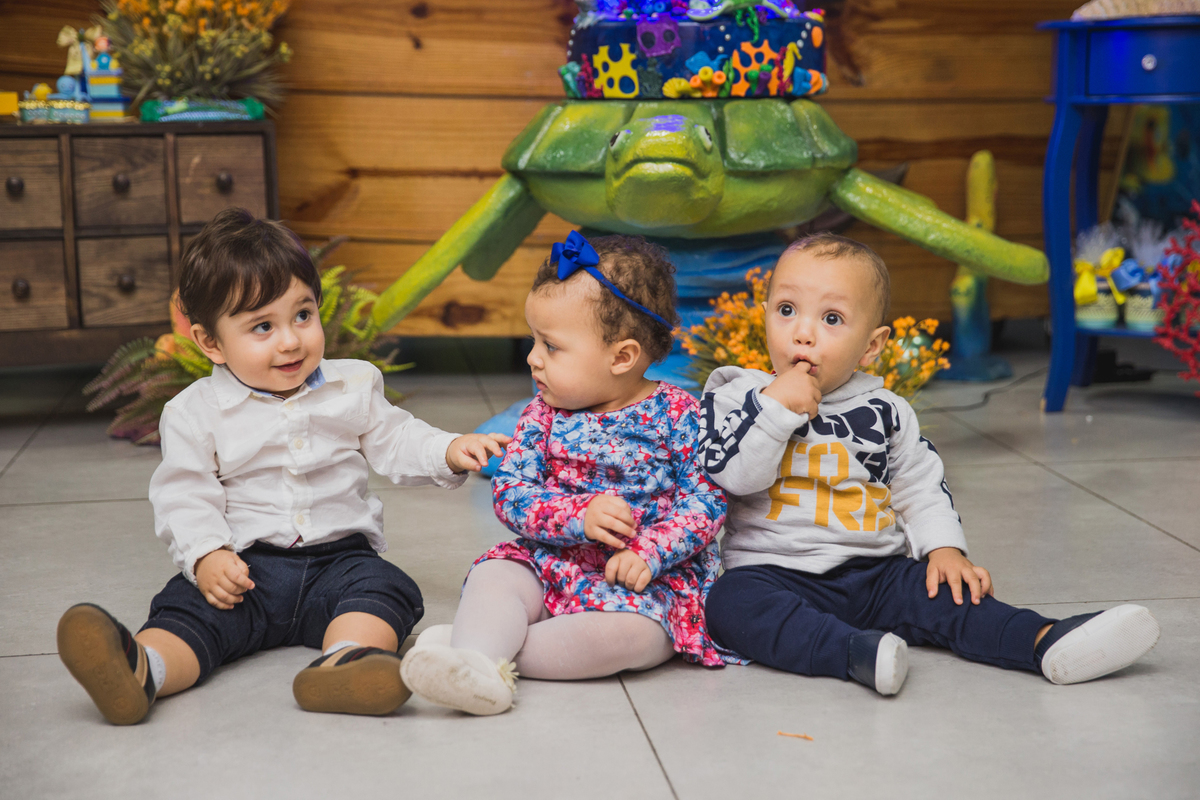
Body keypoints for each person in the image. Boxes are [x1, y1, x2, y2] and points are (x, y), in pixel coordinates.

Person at [57, 207, 508, 724]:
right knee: (192, 611)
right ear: (210, 342)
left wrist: (447, 449)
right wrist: (206, 555)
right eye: (262, 326)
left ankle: (346, 663)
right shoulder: (193, 412)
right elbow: (184, 494)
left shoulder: (352, 385)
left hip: (341, 560)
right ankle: (145, 669)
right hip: (246, 567)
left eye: (302, 315)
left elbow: (397, 437)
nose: (291, 340)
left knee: (383, 590)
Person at [699, 232, 1161, 695]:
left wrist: (944, 550)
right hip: (774, 573)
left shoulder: (886, 410)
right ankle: (857, 653)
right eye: (786, 310)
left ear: (871, 346)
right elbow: (734, 476)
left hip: (877, 573)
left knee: (950, 591)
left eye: (832, 318)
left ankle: (1044, 639)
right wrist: (775, 407)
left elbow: (921, 487)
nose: (803, 332)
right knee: (728, 604)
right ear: (765, 316)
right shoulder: (738, 394)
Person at [399, 231, 733, 715]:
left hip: (643, 581)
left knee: (632, 638)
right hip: (553, 560)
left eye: (551, 346)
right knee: (496, 575)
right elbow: (511, 492)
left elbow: (705, 500)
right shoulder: (542, 415)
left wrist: (651, 550)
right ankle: (479, 664)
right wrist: (577, 515)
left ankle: (476, 652)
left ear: (622, 357)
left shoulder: (680, 413)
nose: (532, 357)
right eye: (534, 340)